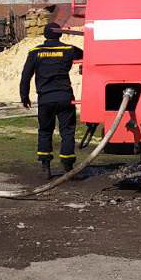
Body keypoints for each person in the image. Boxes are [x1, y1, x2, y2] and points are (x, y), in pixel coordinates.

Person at [19, 22, 84, 178]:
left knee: (45, 131)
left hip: (45, 98)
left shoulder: (35, 52)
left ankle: (46, 167)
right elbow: (84, 55)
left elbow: (26, 76)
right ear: (59, 34)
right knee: (67, 131)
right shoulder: (68, 50)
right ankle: (68, 166)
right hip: (64, 97)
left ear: (45, 35)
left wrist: (24, 96)